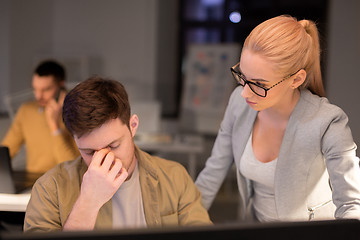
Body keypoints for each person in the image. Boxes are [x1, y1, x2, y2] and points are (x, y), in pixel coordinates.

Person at [195, 15, 360, 222]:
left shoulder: (328, 122)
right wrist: (186, 223)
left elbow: (352, 205)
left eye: (259, 84)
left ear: (296, 79)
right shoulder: (239, 104)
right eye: (243, 77)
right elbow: (213, 172)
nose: (245, 93)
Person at [24, 76, 211, 232]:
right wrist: (88, 202)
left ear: (133, 125)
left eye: (113, 146)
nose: (105, 160)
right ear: (75, 142)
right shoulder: (49, 189)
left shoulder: (175, 178)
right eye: (89, 152)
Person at [1, 60, 79, 173]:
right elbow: (7, 151)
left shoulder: (76, 113)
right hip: (34, 183)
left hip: (64, 182)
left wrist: (54, 126)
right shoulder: (26, 111)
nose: (38, 96)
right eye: (35, 89)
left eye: (46, 89)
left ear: (61, 85)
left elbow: (71, 168)